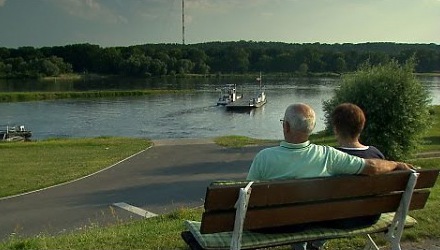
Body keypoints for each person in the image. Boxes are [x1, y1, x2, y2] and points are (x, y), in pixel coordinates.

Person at [246, 103, 412, 250]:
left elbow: (247, 197)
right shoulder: (328, 155)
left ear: (287, 127)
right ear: (310, 129)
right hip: (311, 221)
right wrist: (395, 164)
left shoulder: (264, 157)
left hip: (271, 225)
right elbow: (373, 167)